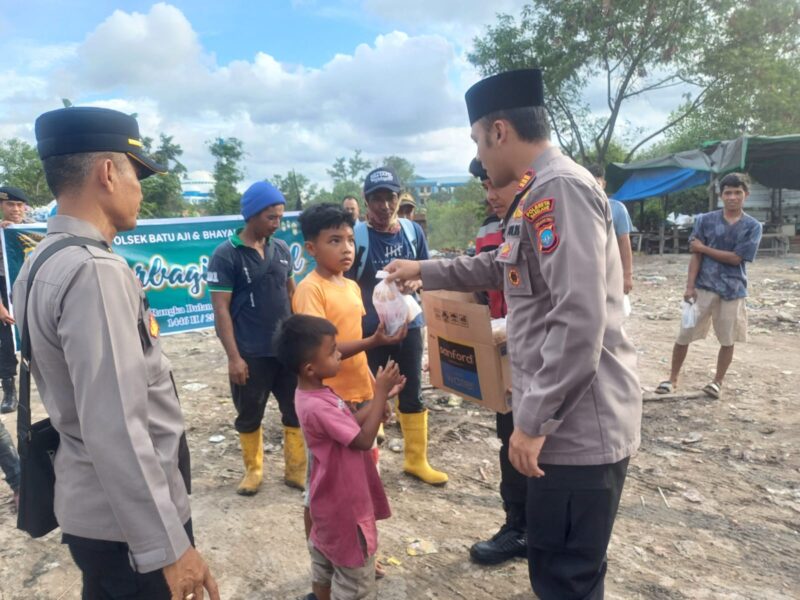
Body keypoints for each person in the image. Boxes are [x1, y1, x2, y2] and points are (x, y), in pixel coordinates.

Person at [385, 68, 641, 599]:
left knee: (564, 577)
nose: (481, 153)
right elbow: (501, 267)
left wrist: (532, 421)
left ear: (500, 131)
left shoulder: (560, 192)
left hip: (572, 432)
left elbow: (579, 321)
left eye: (479, 139)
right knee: (559, 567)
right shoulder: (536, 195)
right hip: (562, 425)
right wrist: (424, 270)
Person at [14, 106, 219, 600]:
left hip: (100, 514)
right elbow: (117, 427)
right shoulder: (94, 272)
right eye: (136, 173)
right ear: (108, 172)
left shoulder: (41, 258)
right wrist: (167, 548)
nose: (140, 189)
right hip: (129, 529)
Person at [293, 203, 405, 599]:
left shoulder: (351, 285)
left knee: (357, 481)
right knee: (322, 487)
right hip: (331, 404)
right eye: (333, 240)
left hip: (358, 394)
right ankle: (324, 551)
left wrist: (376, 393)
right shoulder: (311, 289)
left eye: (348, 240)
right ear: (310, 248)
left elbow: (353, 350)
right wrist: (375, 341)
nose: (346, 249)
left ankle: (353, 552)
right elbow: (324, 347)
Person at [275, 314, 403, 600]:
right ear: (311, 368)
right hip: (347, 508)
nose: (339, 354)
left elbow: (347, 424)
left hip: (327, 504)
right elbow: (362, 440)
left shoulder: (312, 393)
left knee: (323, 566)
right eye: (333, 351)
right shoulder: (317, 404)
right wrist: (380, 391)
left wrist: (379, 401)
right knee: (355, 580)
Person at [350, 167, 447, 486]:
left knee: (412, 389)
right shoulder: (358, 238)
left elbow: (425, 271)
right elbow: (346, 283)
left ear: (398, 198)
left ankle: (416, 461)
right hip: (372, 331)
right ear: (367, 202)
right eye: (377, 199)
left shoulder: (411, 231)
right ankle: (369, 461)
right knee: (370, 393)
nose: (384, 205)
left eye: (390, 197)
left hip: (410, 323)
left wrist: (415, 281)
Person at [207, 180, 305, 496]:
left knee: (295, 409)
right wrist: (234, 357)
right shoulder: (226, 256)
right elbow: (221, 310)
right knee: (250, 412)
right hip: (250, 353)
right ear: (251, 215)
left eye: (279, 217)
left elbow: (293, 295)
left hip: (286, 351)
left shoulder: (281, 250)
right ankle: (254, 471)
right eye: (270, 217)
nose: (277, 224)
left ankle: (296, 471)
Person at [466, 158, 527, 565]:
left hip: (536, 354)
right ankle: (518, 528)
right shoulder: (488, 230)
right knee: (509, 440)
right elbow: (478, 282)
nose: (490, 195)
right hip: (503, 352)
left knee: (542, 446)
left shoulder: (543, 221)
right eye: (485, 186)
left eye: (495, 184)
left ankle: (546, 532)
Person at [655, 172, 762, 399]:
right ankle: (672, 378)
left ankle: (717, 382)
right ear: (721, 195)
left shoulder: (752, 226)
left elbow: (736, 258)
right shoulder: (705, 220)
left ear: (746, 195)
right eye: (728, 193)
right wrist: (689, 287)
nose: (732, 197)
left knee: (727, 338)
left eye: (737, 193)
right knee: (684, 334)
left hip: (733, 291)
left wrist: (703, 248)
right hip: (702, 287)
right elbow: (695, 258)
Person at [0, 186, 28, 413]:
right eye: (10, 204)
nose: (16, 209)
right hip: (3, 291)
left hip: (33, 287)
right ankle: (9, 391)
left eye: (20, 205)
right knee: (5, 340)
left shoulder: (36, 229)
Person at [587, 165, 634, 295]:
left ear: (604, 184)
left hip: (612, 271)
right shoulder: (577, 210)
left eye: (597, 183)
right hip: (587, 274)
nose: (593, 188)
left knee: (613, 311)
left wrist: (627, 275)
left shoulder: (617, 209)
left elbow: (624, 242)